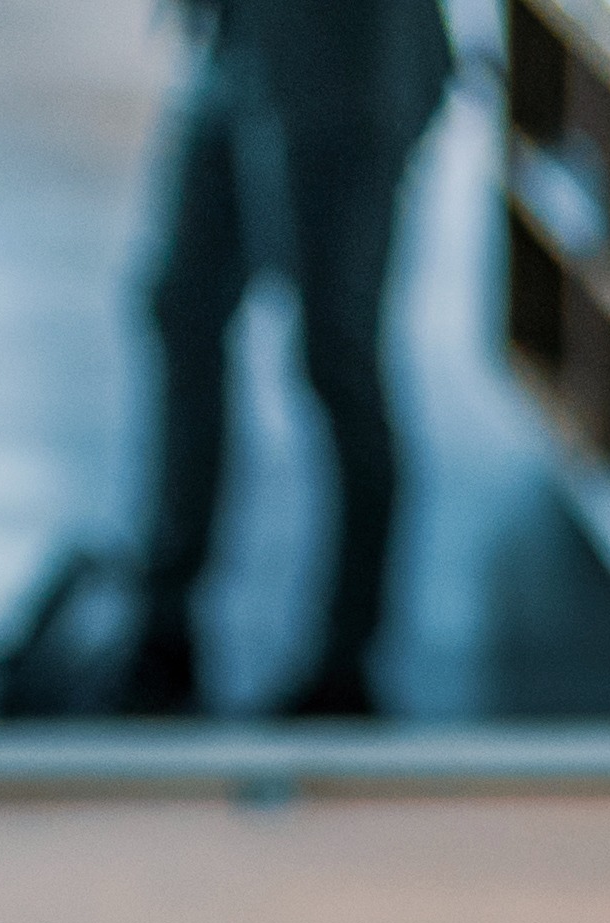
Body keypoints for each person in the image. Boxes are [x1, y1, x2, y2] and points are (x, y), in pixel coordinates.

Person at [115, 0, 446, 719]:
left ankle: (348, 660)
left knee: (336, 357)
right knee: (182, 307)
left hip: (349, 77)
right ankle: (164, 621)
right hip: (241, 47)